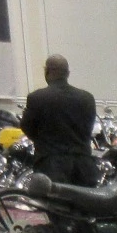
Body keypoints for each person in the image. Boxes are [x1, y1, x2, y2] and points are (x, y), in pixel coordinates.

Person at [21, 54, 96, 185]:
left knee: (53, 204)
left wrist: (44, 141)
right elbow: (88, 128)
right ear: (67, 73)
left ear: (47, 71)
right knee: (83, 204)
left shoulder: (37, 97)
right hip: (84, 166)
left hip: (51, 165)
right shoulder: (87, 98)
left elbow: (26, 127)